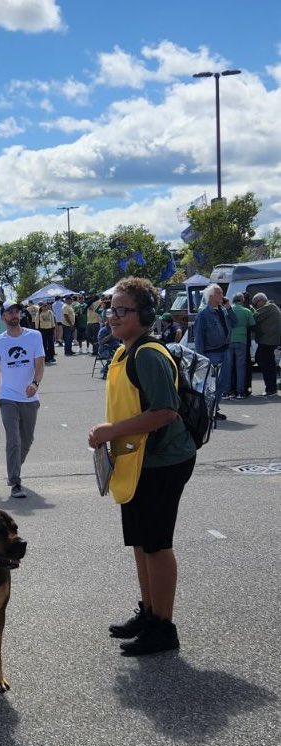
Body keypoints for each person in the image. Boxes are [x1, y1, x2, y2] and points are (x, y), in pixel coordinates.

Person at [88, 276, 196, 656]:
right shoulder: (126, 351)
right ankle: (150, 612)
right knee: (141, 542)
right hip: (137, 461)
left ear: (145, 314)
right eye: (111, 309)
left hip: (163, 462)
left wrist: (111, 430)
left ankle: (164, 628)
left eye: (122, 310)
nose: (113, 316)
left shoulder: (147, 355)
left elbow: (165, 412)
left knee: (156, 544)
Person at [0, 301, 45, 499]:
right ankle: (15, 481)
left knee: (26, 440)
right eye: (10, 312)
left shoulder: (34, 336)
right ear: (2, 317)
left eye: (16, 312)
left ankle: (14, 468)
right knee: (13, 440)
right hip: (8, 398)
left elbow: (40, 365)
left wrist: (35, 384)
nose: (14, 315)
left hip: (30, 398)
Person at [193, 283, 237, 420]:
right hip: (211, 353)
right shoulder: (203, 314)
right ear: (211, 296)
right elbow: (198, 337)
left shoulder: (223, 310)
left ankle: (214, 409)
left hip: (225, 351)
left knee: (223, 383)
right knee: (211, 385)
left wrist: (229, 308)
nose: (222, 295)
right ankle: (208, 410)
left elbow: (236, 322)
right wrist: (201, 358)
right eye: (219, 293)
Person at [251, 292, 281, 397]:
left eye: (255, 304)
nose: (255, 307)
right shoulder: (271, 307)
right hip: (268, 341)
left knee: (267, 364)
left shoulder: (269, 307)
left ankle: (271, 388)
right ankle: (271, 387)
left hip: (267, 341)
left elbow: (254, 317)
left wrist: (249, 310)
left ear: (261, 300)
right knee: (267, 363)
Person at [228, 293, 256, 398]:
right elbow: (253, 325)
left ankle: (228, 391)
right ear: (242, 300)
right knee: (240, 367)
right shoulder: (246, 311)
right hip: (242, 340)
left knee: (229, 367)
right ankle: (240, 392)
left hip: (229, 340)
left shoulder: (228, 310)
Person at [96, 314, 121, 379]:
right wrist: (111, 335)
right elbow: (101, 342)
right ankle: (105, 371)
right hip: (104, 350)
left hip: (115, 348)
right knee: (112, 358)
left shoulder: (116, 329)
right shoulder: (103, 330)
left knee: (123, 356)